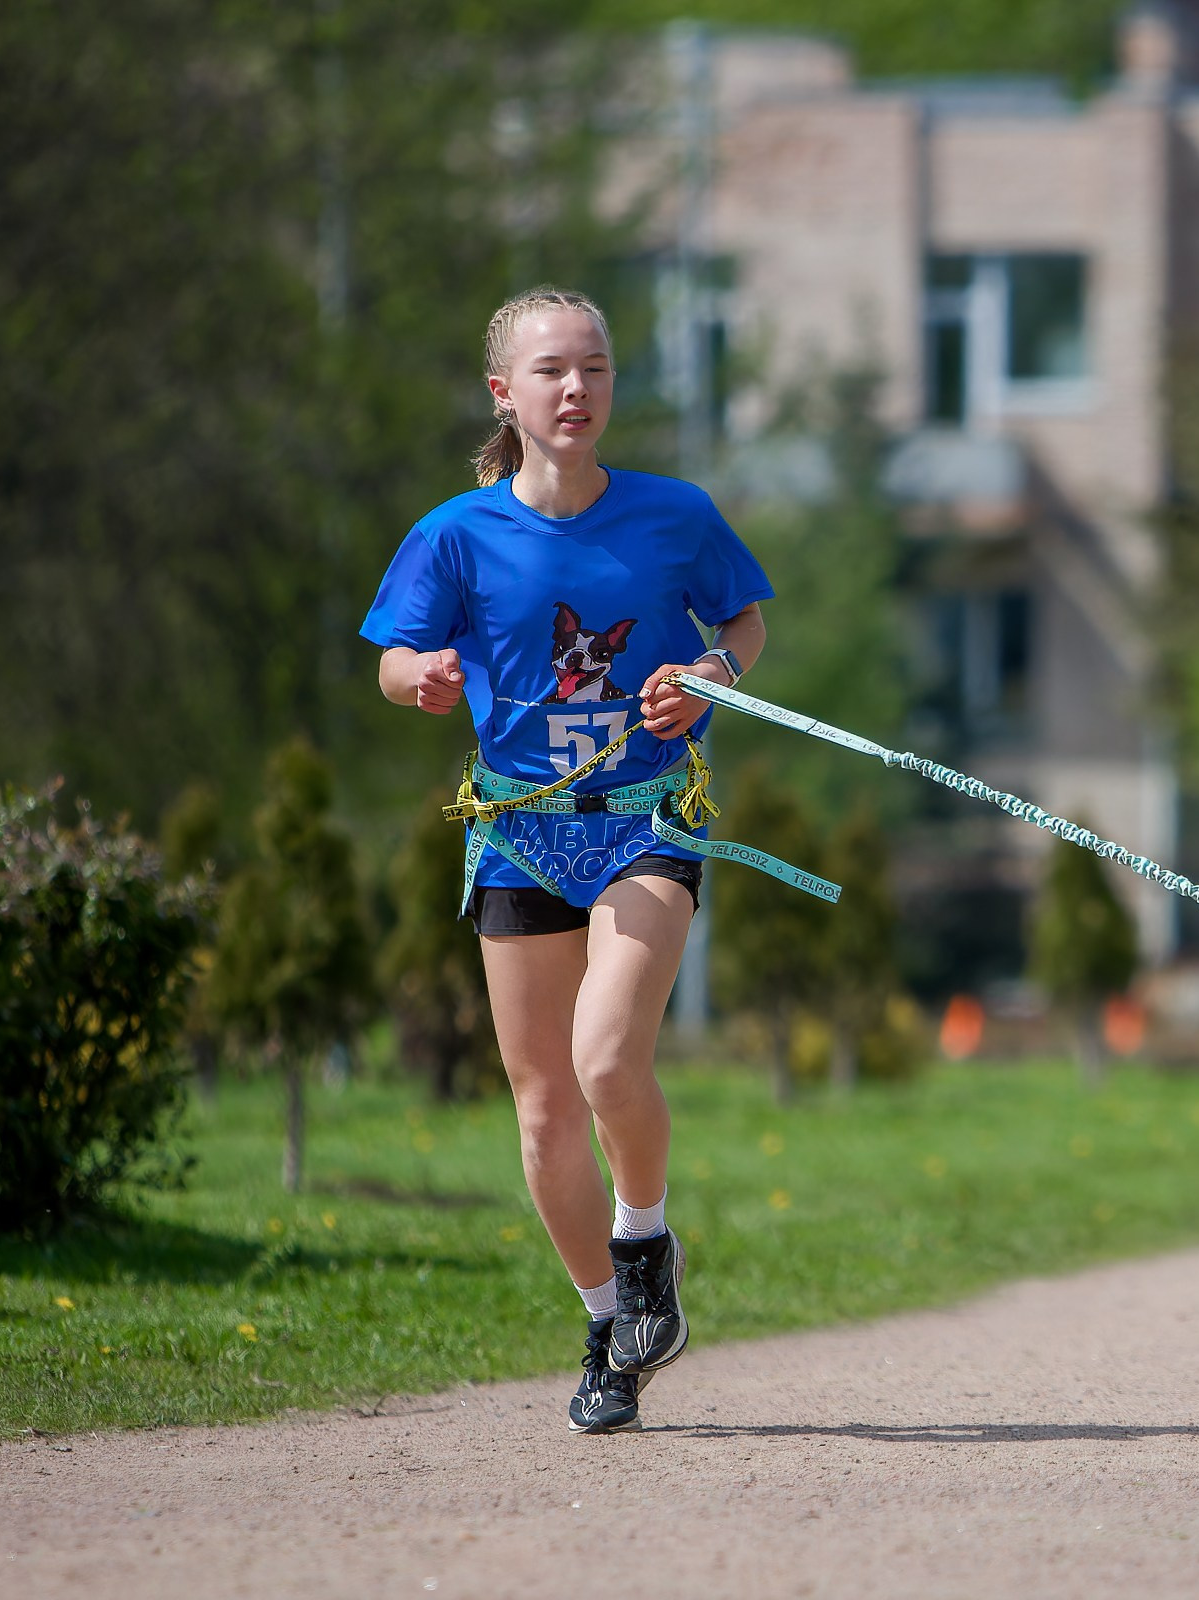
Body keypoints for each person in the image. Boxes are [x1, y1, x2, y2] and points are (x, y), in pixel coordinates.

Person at [361, 286, 772, 1434]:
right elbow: (395, 657)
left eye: (592, 367)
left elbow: (742, 625)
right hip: (519, 829)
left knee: (605, 1059)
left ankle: (644, 1245)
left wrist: (711, 681)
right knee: (543, 1106)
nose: (575, 388)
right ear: (506, 394)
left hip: (646, 815)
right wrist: (421, 680)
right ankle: (610, 1327)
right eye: (550, 371)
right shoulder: (457, 532)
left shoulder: (675, 515)